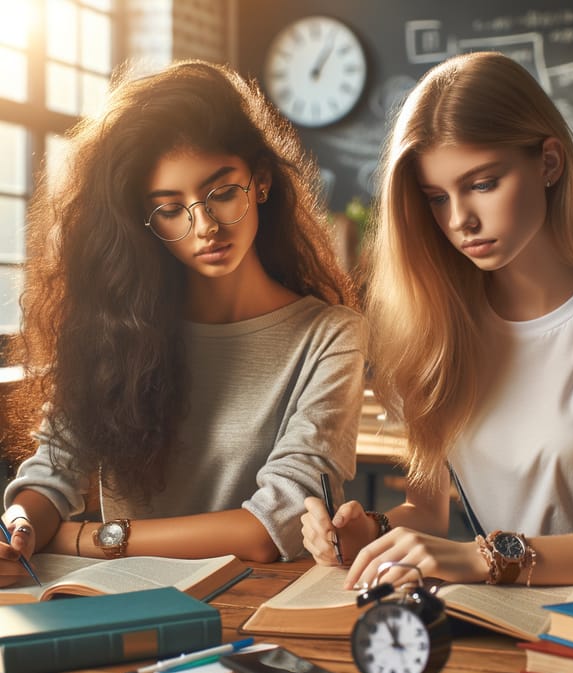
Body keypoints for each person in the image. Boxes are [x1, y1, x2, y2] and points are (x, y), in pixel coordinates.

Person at [302, 51, 573, 591]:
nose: (460, 220)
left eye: (483, 183)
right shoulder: (439, 328)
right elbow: (430, 515)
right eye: (437, 198)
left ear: (549, 163)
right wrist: (371, 533)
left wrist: (485, 558)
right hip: (510, 625)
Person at [0, 59, 367, 585]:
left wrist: (91, 538)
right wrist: (20, 528)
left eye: (221, 193)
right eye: (171, 209)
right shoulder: (116, 328)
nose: (205, 227)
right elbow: (53, 469)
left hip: (257, 608)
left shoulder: (331, 335)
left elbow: (271, 527)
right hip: (118, 597)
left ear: (260, 181)